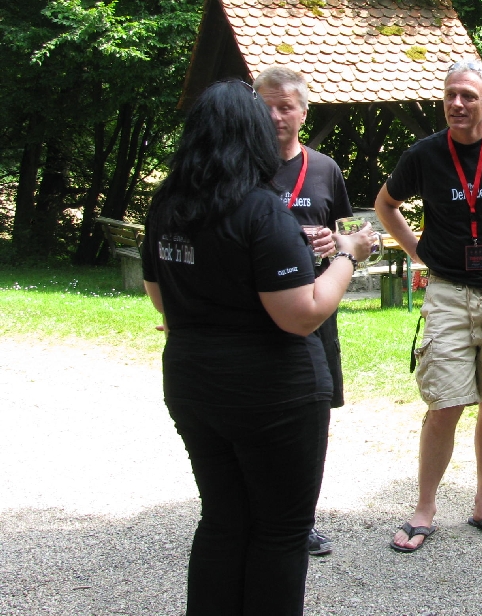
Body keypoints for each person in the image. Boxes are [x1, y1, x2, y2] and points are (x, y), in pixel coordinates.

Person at [141, 81, 375, 615]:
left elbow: (160, 298)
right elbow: (302, 314)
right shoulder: (261, 210)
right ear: (250, 135)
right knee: (281, 530)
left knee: (223, 520)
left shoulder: (167, 205)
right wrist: (349, 255)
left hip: (194, 384)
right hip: (273, 395)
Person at [374, 58, 482, 552]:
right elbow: (386, 205)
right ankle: (424, 508)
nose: (456, 103)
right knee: (445, 403)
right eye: (450, 94)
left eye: (468, 96)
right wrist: (419, 252)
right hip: (449, 293)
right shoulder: (424, 154)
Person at [254, 65, 354, 556]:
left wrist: (336, 241)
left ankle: (302, 519)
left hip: (314, 311)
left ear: (303, 112)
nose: (276, 116)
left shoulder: (325, 169)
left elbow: (349, 235)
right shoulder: (240, 166)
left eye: (285, 107)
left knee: (311, 419)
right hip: (256, 314)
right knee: (255, 415)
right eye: (266, 106)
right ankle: (255, 514)